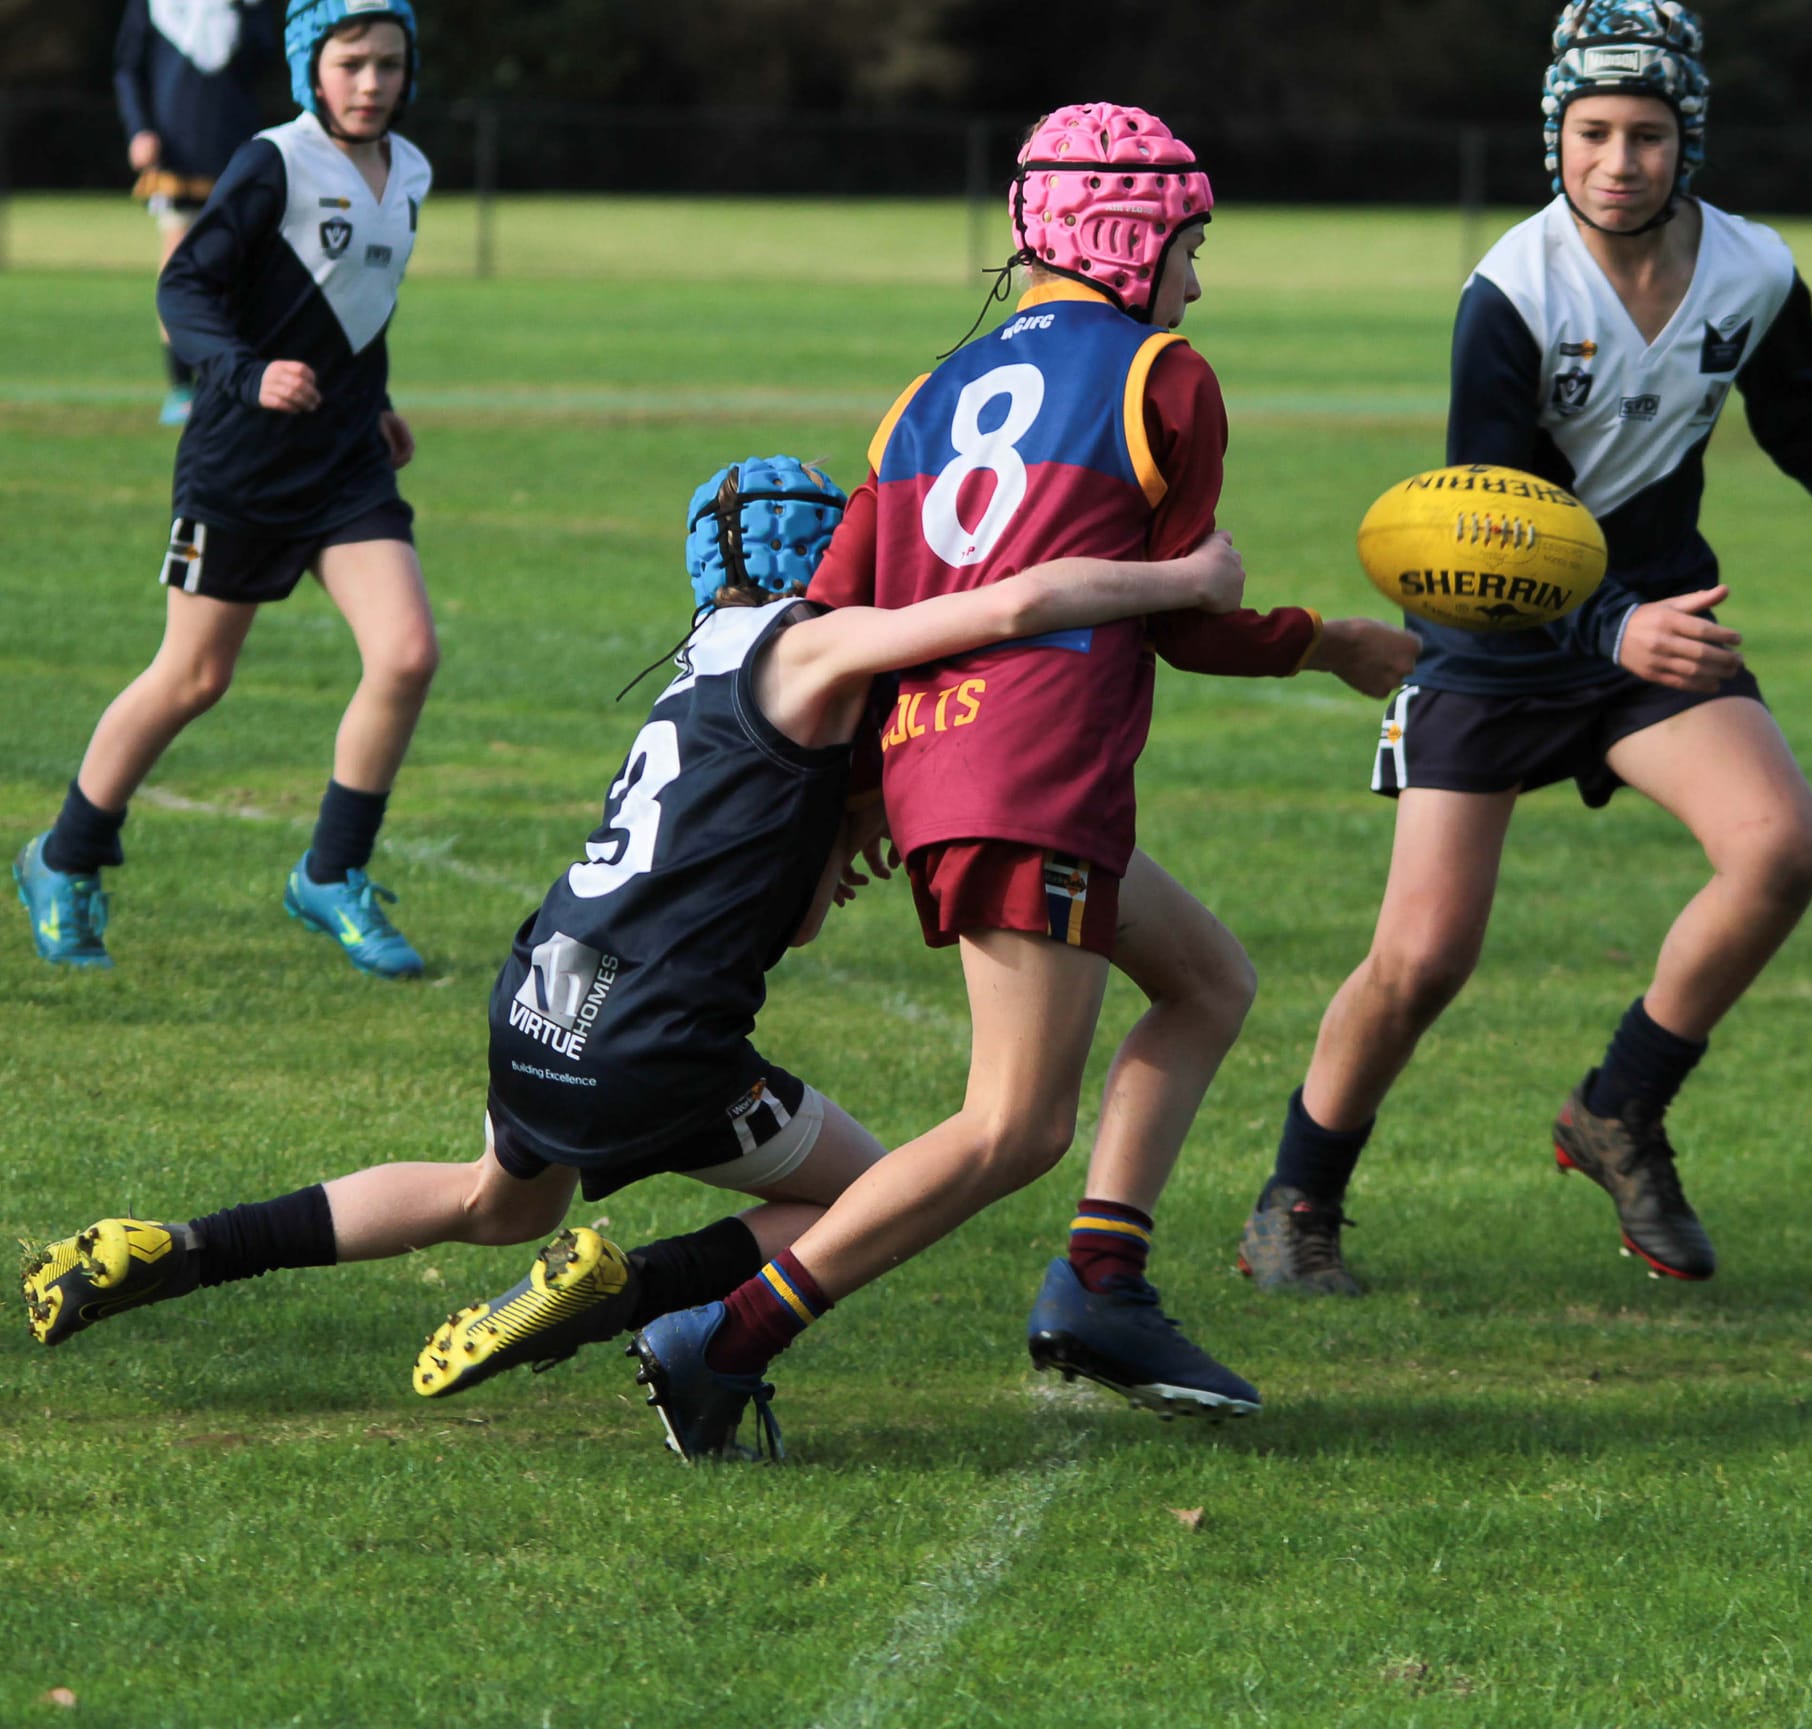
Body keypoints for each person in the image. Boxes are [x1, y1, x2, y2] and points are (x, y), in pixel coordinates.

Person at [20, 456, 1250, 1414]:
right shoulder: (814, 647)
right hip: (655, 1040)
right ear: (821, 552)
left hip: (542, 999)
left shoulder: (694, 666)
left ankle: (180, 1247)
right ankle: (628, 1287)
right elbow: (1016, 603)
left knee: (493, 1202)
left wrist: (828, 832)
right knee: (881, 1194)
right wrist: (1182, 583)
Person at [625, 104, 1418, 1463]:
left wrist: (864, 790)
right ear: (1124, 234)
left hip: (948, 760)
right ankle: (721, 1336)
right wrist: (1333, 644)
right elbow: (1184, 621)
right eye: (1190, 243)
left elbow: (830, 610)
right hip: (1033, 761)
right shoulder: (1164, 375)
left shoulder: (927, 392)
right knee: (1014, 1123)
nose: (1198, 277)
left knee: (1209, 980)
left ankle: (1104, 1283)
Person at [1238, 0, 1812, 1296]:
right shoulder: (1513, 292)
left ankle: (1619, 1108)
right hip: (1494, 636)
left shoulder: (1751, 269)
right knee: (1422, 960)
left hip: (1657, 620)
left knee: (1779, 849)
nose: (1619, 160)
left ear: (1688, 139)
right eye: (1593, 131)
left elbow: (1805, 416)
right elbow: (1485, 516)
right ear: (1554, 137)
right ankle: (1296, 1201)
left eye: (1647, 132)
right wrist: (1606, 625)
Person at [15, 0, 440, 980]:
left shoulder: (410, 170)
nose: (372, 81)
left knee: (408, 652)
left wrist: (375, 402)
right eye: (352, 63)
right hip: (241, 459)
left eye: (388, 63)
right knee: (195, 676)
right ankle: (63, 857)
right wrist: (248, 374)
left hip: (343, 458)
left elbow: (355, 312)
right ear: (309, 67)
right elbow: (185, 294)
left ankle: (331, 874)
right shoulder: (273, 161)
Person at [114, 0, 279, 425]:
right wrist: (138, 130)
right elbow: (128, 68)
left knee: (241, 267)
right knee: (179, 262)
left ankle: (234, 379)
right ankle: (180, 386)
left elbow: (265, 59)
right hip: (176, 153)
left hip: (236, 147)